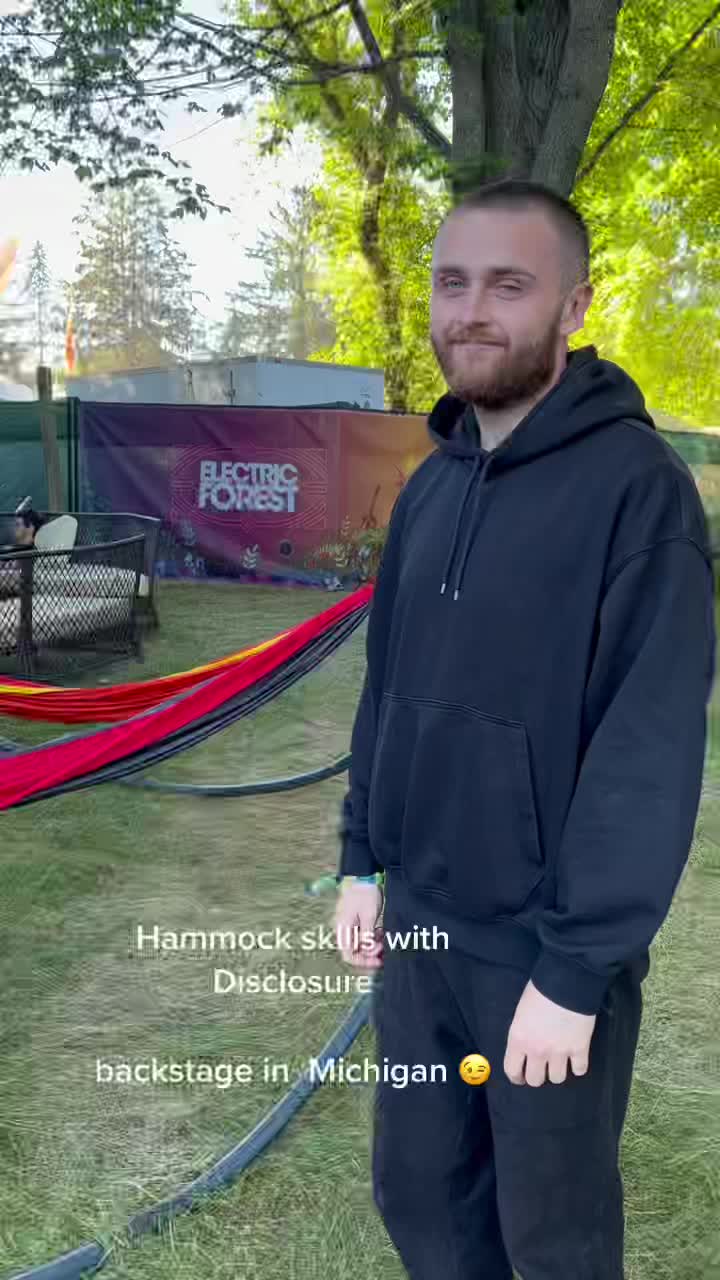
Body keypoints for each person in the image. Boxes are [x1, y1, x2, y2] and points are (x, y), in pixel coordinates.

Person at [333, 177, 716, 1280]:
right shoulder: (430, 488)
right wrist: (360, 861)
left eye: (509, 285)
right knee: (422, 1196)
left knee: (550, 1234)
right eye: (452, 282)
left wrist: (575, 971)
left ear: (575, 306)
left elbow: (646, 752)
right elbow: (388, 687)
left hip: (539, 951)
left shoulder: (640, 492)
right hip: (420, 932)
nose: (472, 311)